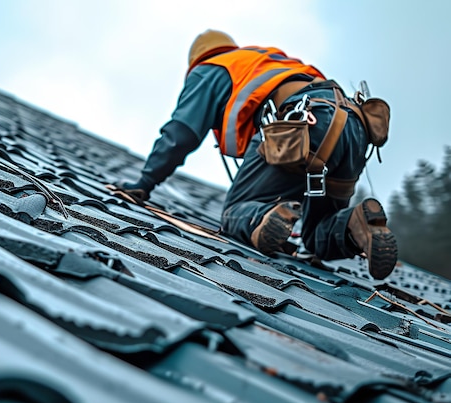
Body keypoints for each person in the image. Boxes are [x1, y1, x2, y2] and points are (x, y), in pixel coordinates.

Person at [115, 29, 398, 279]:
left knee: (236, 212)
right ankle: (358, 225)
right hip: (353, 130)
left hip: (303, 124)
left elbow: (181, 133)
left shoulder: (212, 68)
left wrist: (144, 183)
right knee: (315, 237)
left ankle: (264, 216)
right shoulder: (262, 62)